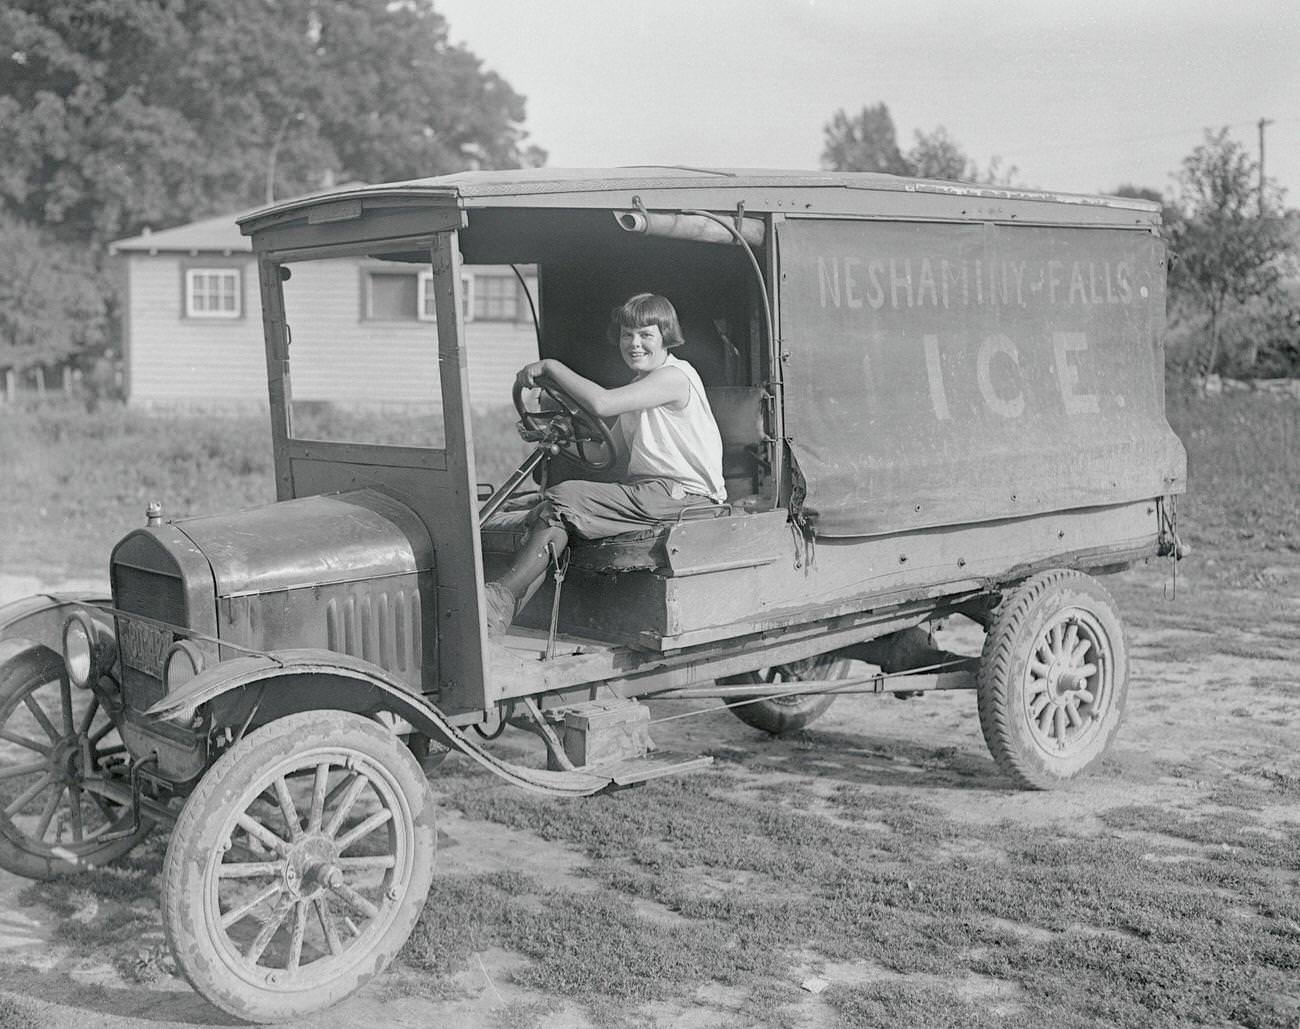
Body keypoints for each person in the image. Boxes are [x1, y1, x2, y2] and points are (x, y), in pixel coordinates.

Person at [485, 293, 725, 635]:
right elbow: (603, 453)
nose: (635, 344)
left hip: (685, 496)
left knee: (563, 499)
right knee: (540, 502)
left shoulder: (674, 377)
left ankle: (499, 598)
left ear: (666, 337)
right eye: (627, 334)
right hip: (651, 492)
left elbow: (601, 403)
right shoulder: (640, 386)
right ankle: (500, 617)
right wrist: (556, 435)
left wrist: (551, 367)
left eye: (646, 334)